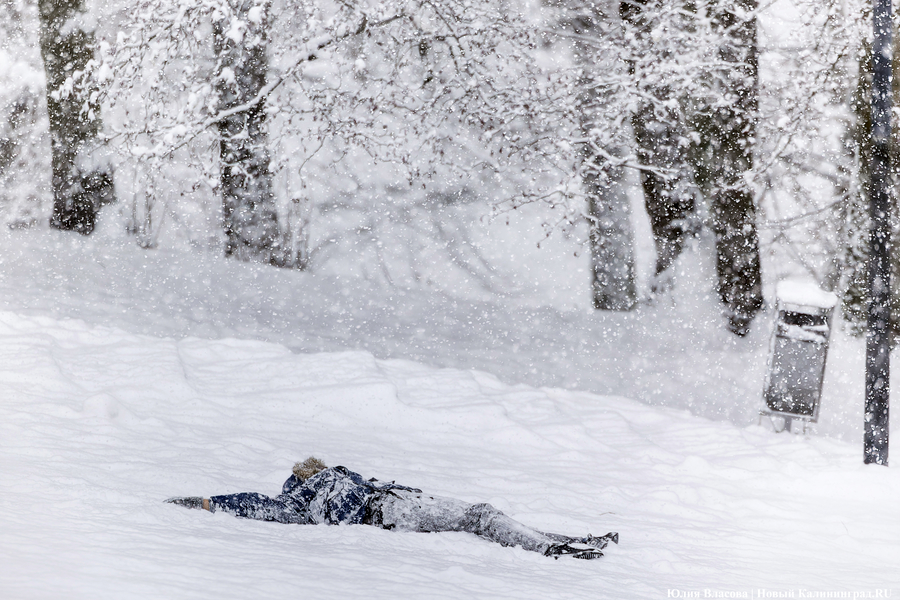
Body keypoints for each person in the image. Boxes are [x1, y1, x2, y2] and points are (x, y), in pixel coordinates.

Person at [166, 457, 618, 560]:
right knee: (480, 516)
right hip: (387, 512)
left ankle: (567, 540)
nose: (316, 467)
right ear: (302, 476)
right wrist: (207, 503)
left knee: (482, 514)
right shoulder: (299, 498)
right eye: (311, 467)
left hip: (399, 500)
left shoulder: (338, 477)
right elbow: (260, 506)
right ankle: (551, 548)